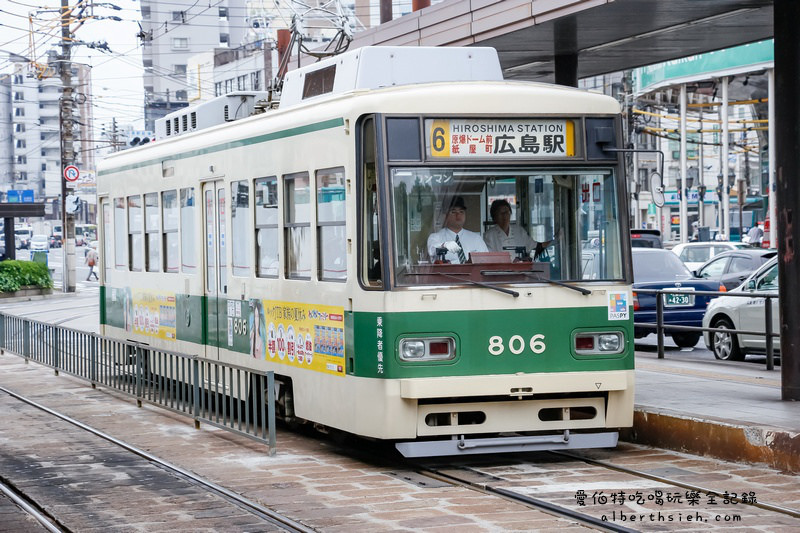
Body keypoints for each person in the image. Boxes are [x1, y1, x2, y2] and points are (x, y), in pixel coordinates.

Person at [483, 199, 557, 260]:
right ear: (494, 216)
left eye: (507, 212)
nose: (505, 216)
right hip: (499, 274)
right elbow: (488, 258)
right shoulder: (489, 235)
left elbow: (536, 246)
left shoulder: (519, 231)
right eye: (501, 213)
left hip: (520, 272)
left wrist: (556, 241)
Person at [427, 196, 488, 263]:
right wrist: (444, 245)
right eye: (453, 212)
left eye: (461, 212)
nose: (458, 215)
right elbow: (431, 250)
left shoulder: (476, 239)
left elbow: (486, 261)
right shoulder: (436, 237)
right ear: (445, 215)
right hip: (448, 273)